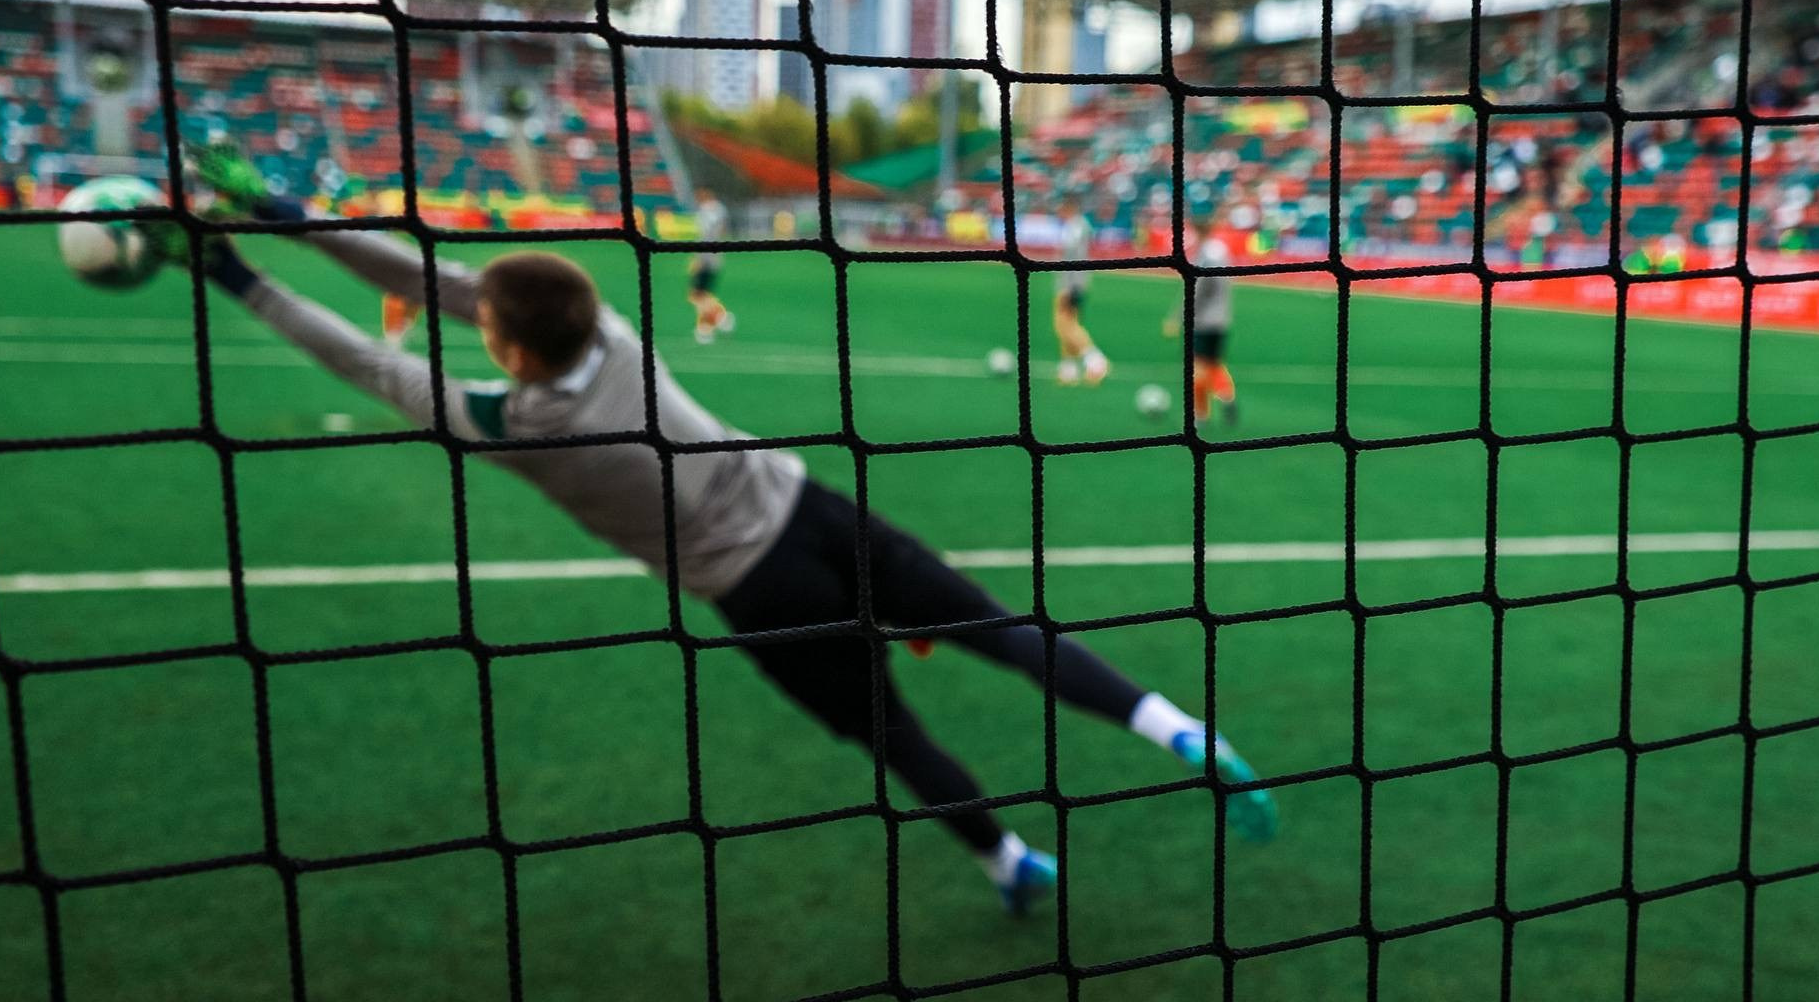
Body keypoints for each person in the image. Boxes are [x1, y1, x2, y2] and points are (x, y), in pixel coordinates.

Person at [189, 143, 1277, 913]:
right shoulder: (610, 329)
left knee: (893, 736)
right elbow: (442, 277)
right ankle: (1180, 729)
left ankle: (1006, 859)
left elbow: (372, 352)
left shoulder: (508, 423)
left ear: (508, 347)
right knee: (998, 627)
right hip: (814, 510)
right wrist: (281, 213)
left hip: (760, 592)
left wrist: (242, 269)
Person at [1168, 227, 1239, 426]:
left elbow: (1198, 290)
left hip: (1203, 321)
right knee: (1214, 363)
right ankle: (1226, 394)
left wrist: (1180, 317)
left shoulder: (1205, 256)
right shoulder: (1221, 251)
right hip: (1222, 319)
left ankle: (1200, 414)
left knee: (1197, 367)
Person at [1051, 205, 1110, 387]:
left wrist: (1072, 286)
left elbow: (1074, 257)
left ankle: (1095, 360)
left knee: (1065, 325)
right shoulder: (1079, 226)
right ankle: (1069, 369)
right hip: (1074, 281)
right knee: (1066, 324)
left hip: (1071, 283)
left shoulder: (1075, 227)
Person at [687, 189, 735, 344]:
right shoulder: (719, 210)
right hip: (716, 256)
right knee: (702, 294)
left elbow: (705, 235)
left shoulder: (705, 212)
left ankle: (720, 317)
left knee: (697, 295)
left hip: (706, 256)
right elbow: (721, 230)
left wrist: (698, 259)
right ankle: (706, 328)